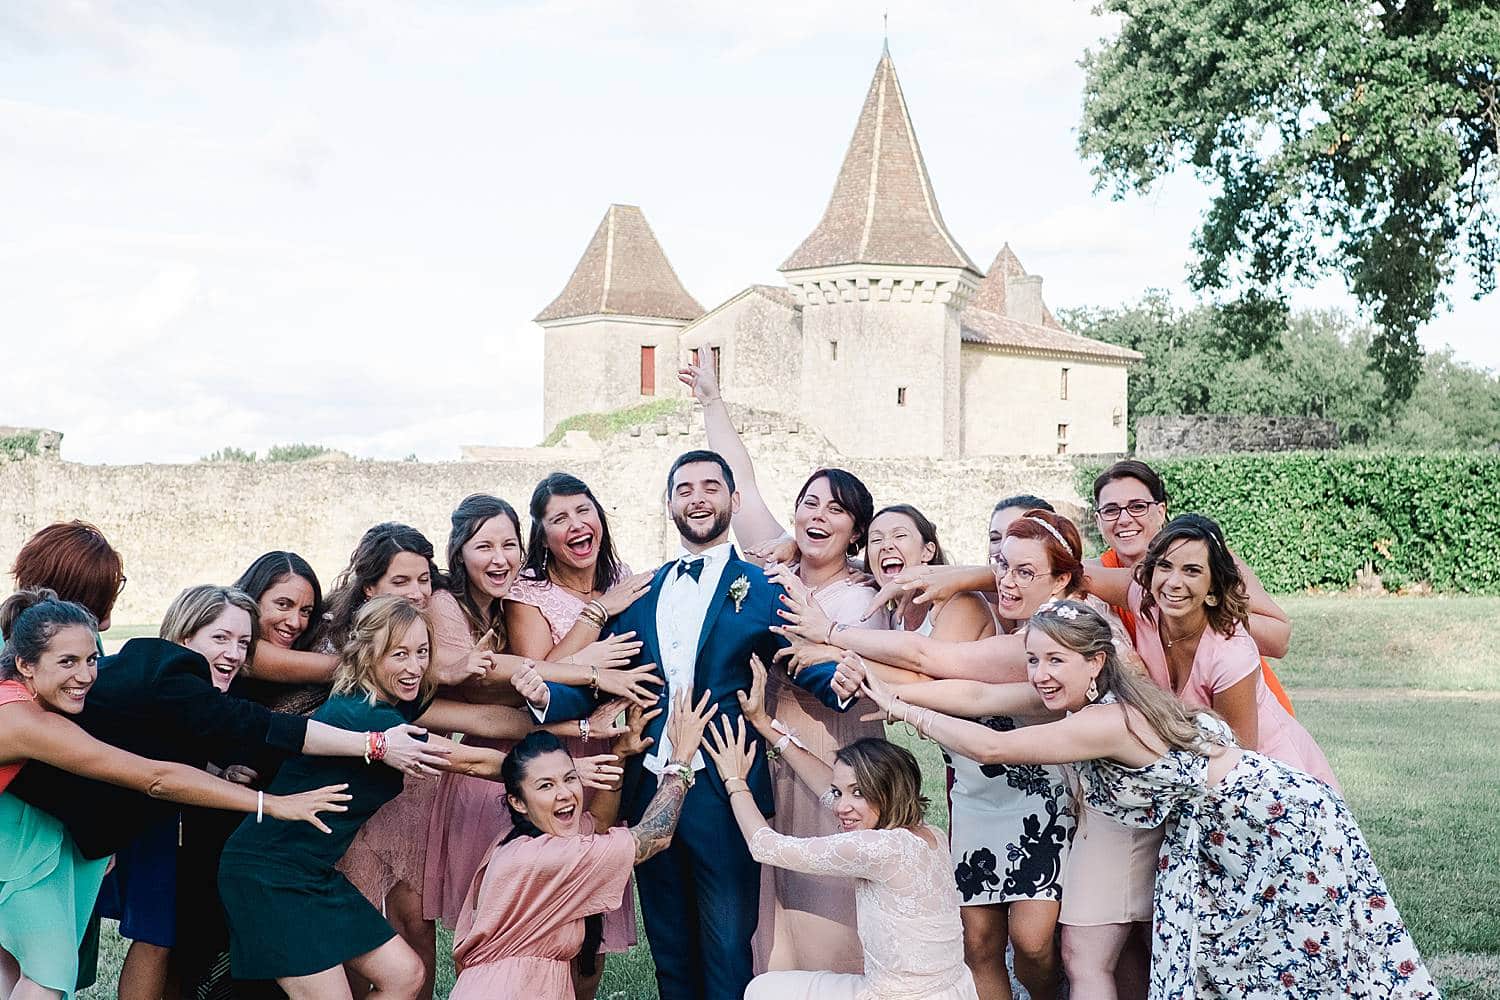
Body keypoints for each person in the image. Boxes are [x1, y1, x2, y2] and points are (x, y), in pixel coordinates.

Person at [839, 601, 1438, 999]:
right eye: (1033, 660)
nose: (1041, 674)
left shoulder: (1110, 720)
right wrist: (873, 676)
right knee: (1246, 962)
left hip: (1275, 824)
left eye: (1055, 660)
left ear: (1095, 661)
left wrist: (900, 708)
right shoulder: (1086, 695)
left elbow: (995, 749)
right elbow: (974, 694)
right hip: (1225, 833)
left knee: (1311, 954)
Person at [538, 449, 852, 1000]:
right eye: (684, 489)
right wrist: (543, 696)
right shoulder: (640, 590)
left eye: (711, 487)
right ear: (668, 505)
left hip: (725, 788)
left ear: (733, 500)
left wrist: (844, 681)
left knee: (729, 946)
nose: (697, 498)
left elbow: (803, 658)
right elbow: (603, 672)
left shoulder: (762, 587)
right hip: (649, 788)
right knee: (671, 950)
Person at [216, 596, 622, 1000]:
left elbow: (486, 720)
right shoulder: (366, 716)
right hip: (268, 873)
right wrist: (559, 773)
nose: (413, 667)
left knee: (406, 976)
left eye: (422, 653)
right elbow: (467, 761)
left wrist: (580, 728)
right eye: (399, 654)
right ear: (368, 653)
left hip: (312, 872)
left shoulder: (393, 702)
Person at [0, 590, 347, 1000]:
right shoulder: (28, 722)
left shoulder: (25, 698)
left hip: (27, 842)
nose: (86, 676)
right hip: (18, 850)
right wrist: (271, 804)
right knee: (49, 975)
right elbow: (153, 777)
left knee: (13, 967)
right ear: (25, 663)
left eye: (92, 659)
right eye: (67, 662)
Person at [680, 350, 886, 974]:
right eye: (809, 505)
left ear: (856, 529)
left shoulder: (866, 589)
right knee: (774, 901)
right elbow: (740, 487)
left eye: (835, 509)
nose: (817, 517)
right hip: (770, 748)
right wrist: (714, 403)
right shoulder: (772, 570)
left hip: (837, 750)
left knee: (833, 895)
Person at [422, 494, 656, 934]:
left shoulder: (504, 600)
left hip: (560, 746)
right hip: (496, 766)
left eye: (508, 546)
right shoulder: (449, 606)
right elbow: (510, 686)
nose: (499, 558)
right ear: (459, 552)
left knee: (580, 919)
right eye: (483, 546)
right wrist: (591, 660)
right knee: (503, 917)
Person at [450, 690, 717, 1000]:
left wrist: (620, 751)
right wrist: (681, 760)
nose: (565, 793)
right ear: (518, 802)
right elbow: (655, 835)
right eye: (546, 785)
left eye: (570, 778)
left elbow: (599, 822)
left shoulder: (525, 843)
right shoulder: (546, 858)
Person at [703, 716, 978, 1000]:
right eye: (839, 792)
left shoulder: (878, 848)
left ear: (887, 791)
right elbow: (830, 789)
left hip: (899, 996)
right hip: (953, 990)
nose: (841, 806)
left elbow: (766, 847)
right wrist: (770, 730)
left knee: (762, 990)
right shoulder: (929, 835)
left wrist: (735, 782)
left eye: (857, 792)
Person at [1085, 514, 1337, 788]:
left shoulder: (1230, 653)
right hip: (1204, 772)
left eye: (1192, 571)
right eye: (1165, 566)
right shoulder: (1144, 601)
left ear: (1213, 587)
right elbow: (1070, 574)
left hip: (1270, 782)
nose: (1173, 582)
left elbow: (1240, 760)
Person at [97, 586, 262, 1000]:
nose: (234, 653)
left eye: (243, 643)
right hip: (125, 827)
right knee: (155, 936)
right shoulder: (164, 686)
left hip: (152, 824)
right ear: (184, 637)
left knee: (164, 937)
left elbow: (169, 748)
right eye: (220, 638)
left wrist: (216, 770)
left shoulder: (188, 691)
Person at [7, 522, 127, 994]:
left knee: (15, 967)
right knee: (50, 972)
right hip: (31, 839)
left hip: (43, 832)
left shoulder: (24, 646)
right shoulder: (53, 660)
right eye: (103, 601)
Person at [1089, 460, 1296, 714]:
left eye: (1137, 507)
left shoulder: (1207, 557)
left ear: (1161, 510)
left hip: (1244, 711)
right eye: (1111, 510)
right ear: (1098, 520)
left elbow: (1280, 639)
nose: (1124, 519)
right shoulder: (1098, 575)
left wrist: (1201, 611)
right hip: (1177, 726)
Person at [230, 551, 335, 716]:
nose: (295, 623)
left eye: (305, 611)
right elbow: (336, 668)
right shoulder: (238, 647)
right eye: (283, 604)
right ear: (254, 598)